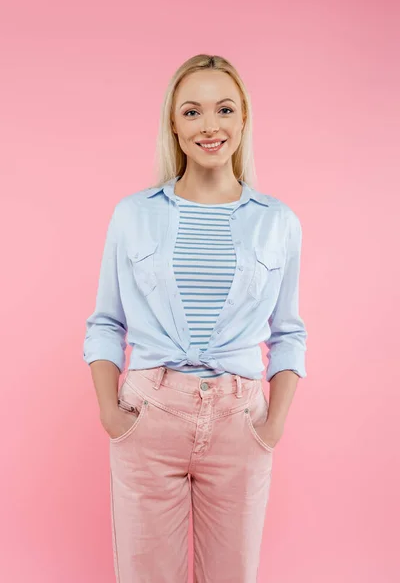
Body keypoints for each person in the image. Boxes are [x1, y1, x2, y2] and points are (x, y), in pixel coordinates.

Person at [83, 54, 308, 583]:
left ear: (244, 119)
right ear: (174, 126)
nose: (210, 126)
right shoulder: (134, 214)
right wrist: (111, 414)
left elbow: (289, 332)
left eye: (224, 109)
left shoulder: (277, 222)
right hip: (149, 415)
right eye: (192, 112)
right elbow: (105, 323)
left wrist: (272, 425)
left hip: (240, 422)